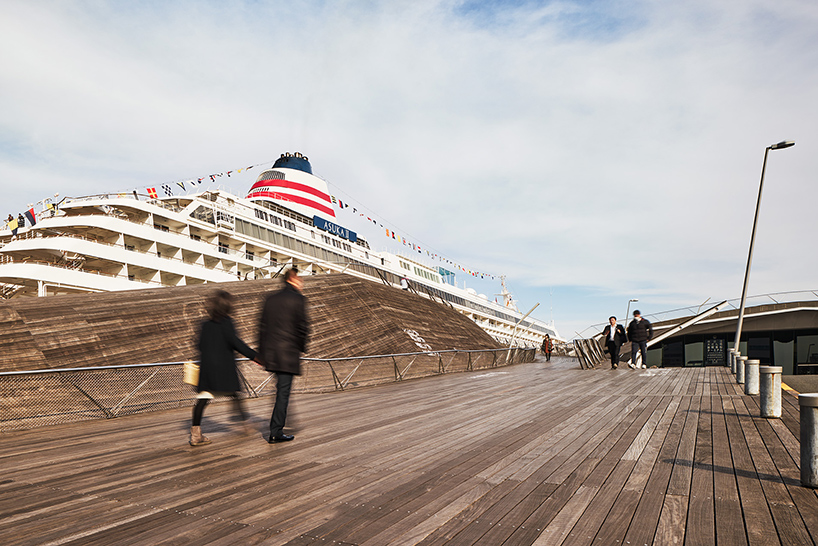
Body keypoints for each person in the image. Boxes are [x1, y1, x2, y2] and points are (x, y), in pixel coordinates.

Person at [190, 289, 262, 446]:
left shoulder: (204, 325)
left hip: (208, 371)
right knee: (235, 396)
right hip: (223, 370)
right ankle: (246, 425)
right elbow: (236, 343)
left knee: (202, 400)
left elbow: (199, 345)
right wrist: (256, 357)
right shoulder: (227, 322)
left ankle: (196, 435)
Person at [259, 268, 310, 443]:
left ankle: (279, 425)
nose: (301, 283)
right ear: (293, 279)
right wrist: (302, 347)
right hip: (288, 353)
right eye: (299, 279)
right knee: (283, 392)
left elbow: (262, 327)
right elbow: (303, 326)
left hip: (272, 353)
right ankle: (275, 431)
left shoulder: (270, 299)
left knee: (281, 390)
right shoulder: (299, 299)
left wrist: (262, 352)